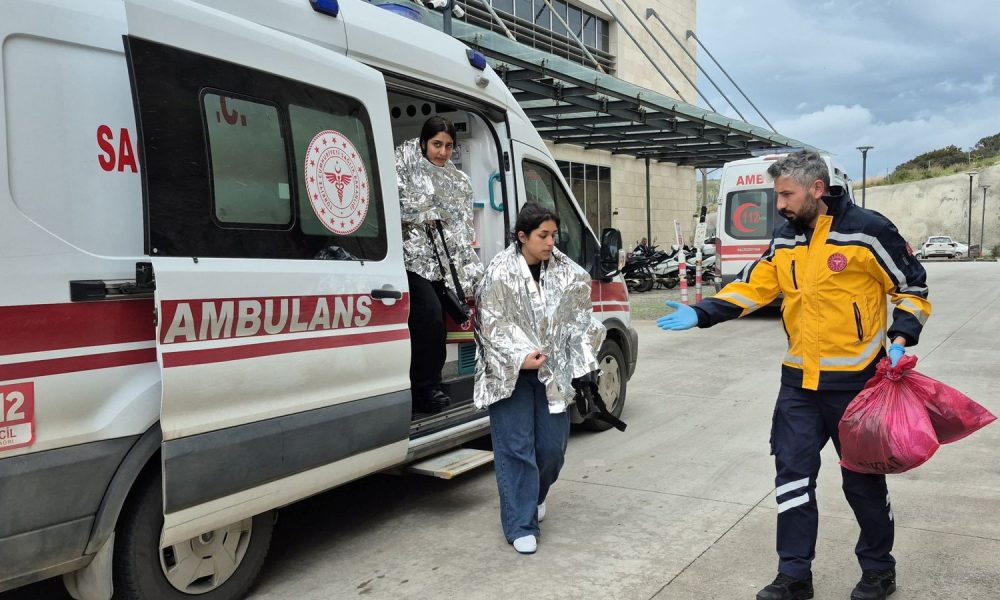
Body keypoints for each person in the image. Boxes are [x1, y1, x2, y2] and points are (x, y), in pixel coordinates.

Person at [656, 151, 931, 600]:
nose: (779, 204)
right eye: (776, 194)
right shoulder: (785, 238)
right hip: (798, 387)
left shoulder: (868, 231)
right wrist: (702, 312)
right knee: (792, 480)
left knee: (862, 482)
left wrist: (900, 337)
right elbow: (753, 287)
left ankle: (879, 568)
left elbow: (913, 288)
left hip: (857, 387)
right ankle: (794, 575)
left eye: (786, 194)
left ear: (816, 189)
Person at [474, 202, 605, 555]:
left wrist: (584, 364)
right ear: (522, 237)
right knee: (516, 449)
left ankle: (536, 495)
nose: (550, 242)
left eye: (553, 235)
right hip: (509, 375)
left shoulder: (566, 273)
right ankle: (520, 524)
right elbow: (490, 325)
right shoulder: (498, 273)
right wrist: (520, 358)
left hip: (553, 373)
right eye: (543, 236)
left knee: (551, 449)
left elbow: (580, 320)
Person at [396, 116, 483, 414]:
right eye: (436, 144)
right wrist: (423, 213)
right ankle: (422, 388)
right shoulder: (403, 168)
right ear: (423, 143)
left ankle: (430, 383)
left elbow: (461, 228)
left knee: (438, 325)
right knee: (430, 317)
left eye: (448, 146)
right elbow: (393, 205)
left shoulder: (457, 182)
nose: (442, 152)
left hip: (440, 264)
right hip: (408, 261)